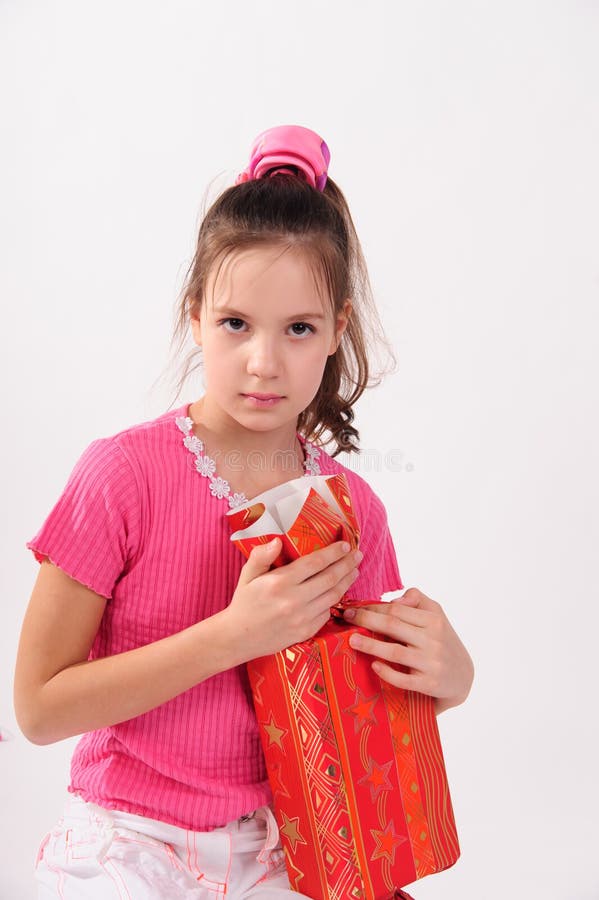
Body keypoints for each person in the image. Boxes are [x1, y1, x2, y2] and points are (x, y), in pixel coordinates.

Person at [14, 125, 474, 899]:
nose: (264, 361)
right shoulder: (122, 473)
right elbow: (36, 707)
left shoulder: (350, 507)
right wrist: (235, 637)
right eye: (236, 324)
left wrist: (450, 678)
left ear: (337, 332)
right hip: (129, 838)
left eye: (298, 328)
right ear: (195, 316)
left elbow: (361, 714)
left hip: (281, 847)